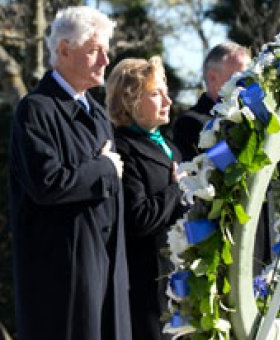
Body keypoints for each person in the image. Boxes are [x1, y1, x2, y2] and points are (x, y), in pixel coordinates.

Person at [8, 6, 131, 340]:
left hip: (107, 269)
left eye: (106, 51)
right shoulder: (36, 109)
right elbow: (47, 182)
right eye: (94, 51)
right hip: (63, 279)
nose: (105, 61)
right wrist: (103, 168)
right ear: (63, 51)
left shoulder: (98, 114)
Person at [107, 57, 185, 340]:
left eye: (165, 91)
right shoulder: (122, 148)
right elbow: (138, 218)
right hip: (145, 286)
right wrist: (176, 189)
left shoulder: (172, 150)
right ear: (131, 101)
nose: (167, 100)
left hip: (179, 282)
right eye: (156, 93)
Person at [171, 42, 250, 162]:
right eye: (239, 77)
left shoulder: (251, 113)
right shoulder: (189, 124)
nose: (247, 81)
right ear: (213, 77)